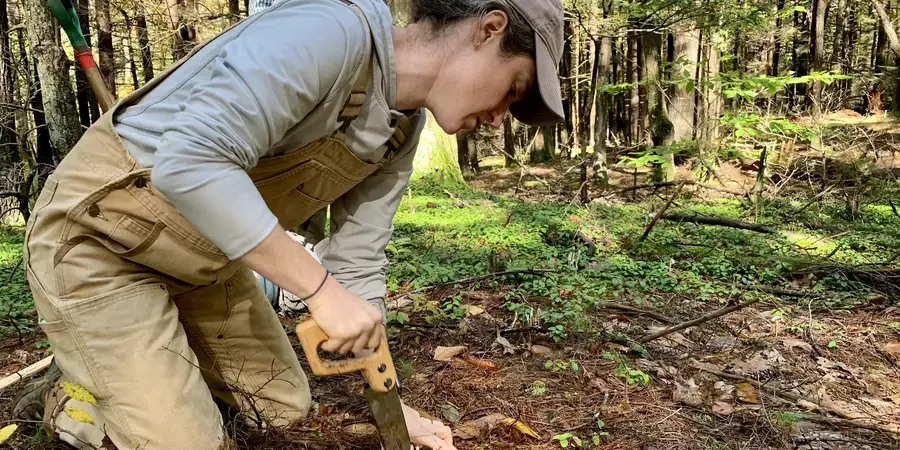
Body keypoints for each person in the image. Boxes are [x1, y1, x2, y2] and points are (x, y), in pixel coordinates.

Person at [14, 0, 564, 448]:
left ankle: (148, 365)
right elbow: (192, 160)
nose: (499, 119)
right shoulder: (329, 32)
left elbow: (358, 265)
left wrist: (390, 403)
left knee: (282, 405)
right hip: (99, 244)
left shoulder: (400, 131)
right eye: (512, 90)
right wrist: (318, 289)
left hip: (200, 266)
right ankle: (83, 391)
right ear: (488, 29)